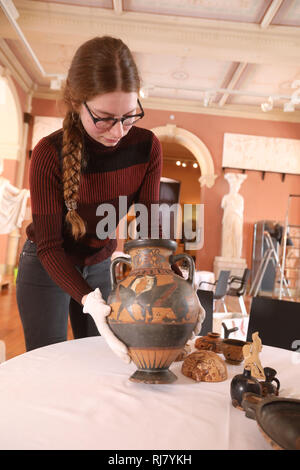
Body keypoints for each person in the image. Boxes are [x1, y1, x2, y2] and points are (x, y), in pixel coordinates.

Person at [16, 36, 163, 357]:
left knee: (98, 360)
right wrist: (88, 300)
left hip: (99, 265)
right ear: (75, 102)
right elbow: (49, 246)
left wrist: (167, 273)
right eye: (104, 118)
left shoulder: (147, 146)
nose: (118, 130)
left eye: (128, 116)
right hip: (46, 264)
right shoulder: (47, 153)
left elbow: (149, 225)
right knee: (47, 362)